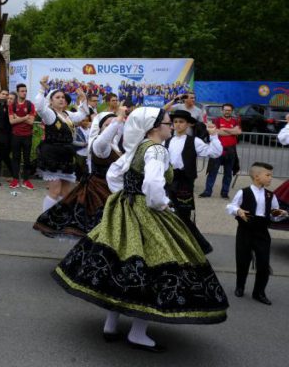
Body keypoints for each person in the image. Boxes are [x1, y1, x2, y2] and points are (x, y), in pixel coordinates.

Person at [53, 107, 228, 352]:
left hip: (126, 208)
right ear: (155, 127)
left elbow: (115, 174)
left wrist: (124, 196)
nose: (171, 126)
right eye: (168, 123)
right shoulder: (156, 149)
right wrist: (163, 205)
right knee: (152, 268)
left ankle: (111, 325)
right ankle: (137, 333)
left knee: (120, 263)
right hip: (147, 212)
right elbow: (154, 185)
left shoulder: (139, 146)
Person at [34, 108, 125, 238]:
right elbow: (106, 137)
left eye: (113, 124)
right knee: (99, 225)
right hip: (100, 189)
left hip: (113, 189)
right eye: (106, 125)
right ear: (100, 128)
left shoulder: (116, 145)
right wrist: (117, 120)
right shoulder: (99, 144)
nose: (111, 127)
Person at [227, 162, 288, 305]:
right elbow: (231, 206)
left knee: (263, 263)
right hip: (245, 230)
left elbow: (273, 214)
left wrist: (280, 214)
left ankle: (259, 292)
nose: (270, 178)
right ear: (256, 176)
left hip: (262, 232)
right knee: (242, 260)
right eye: (268, 175)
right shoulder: (244, 192)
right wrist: (238, 211)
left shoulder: (270, 195)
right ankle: (240, 286)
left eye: (271, 175)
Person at [165, 109, 222, 254]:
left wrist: (214, 136)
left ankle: (202, 246)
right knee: (168, 214)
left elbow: (214, 152)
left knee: (184, 215)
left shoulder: (194, 141)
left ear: (188, 124)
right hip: (168, 181)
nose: (178, 125)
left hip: (184, 181)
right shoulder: (167, 140)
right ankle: (176, 246)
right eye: (175, 122)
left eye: (181, 122)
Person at [34, 76, 89, 211]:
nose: (61, 99)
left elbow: (83, 114)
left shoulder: (68, 114)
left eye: (63, 97)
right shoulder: (50, 114)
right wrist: (42, 88)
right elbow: (39, 108)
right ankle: (45, 220)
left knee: (66, 192)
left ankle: (60, 218)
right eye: (57, 97)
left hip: (66, 155)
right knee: (55, 191)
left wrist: (83, 98)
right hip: (52, 154)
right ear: (51, 101)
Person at [201, 103, 241, 199]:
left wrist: (224, 129)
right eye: (226, 110)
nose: (227, 112)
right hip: (217, 150)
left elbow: (238, 132)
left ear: (232, 111)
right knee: (212, 172)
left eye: (229, 110)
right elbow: (216, 131)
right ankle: (207, 191)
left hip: (231, 150)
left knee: (228, 174)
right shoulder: (217, 120)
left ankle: (224, 193)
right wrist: (231, 131)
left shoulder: (235, 121)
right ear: (222, 111)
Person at [8, 83, 37, 190]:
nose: (24, 93)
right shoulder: (12, 105)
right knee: (15, 158)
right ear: (17, 92)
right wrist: (25, 117)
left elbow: (31, 122)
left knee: (27, 159)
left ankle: (26, 180)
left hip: (27, 136)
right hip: (15, 136)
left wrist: (18, 118)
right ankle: (15, 179)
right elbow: (11, 121)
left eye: (25, 91)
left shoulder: (30, 105)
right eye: (22, 91)